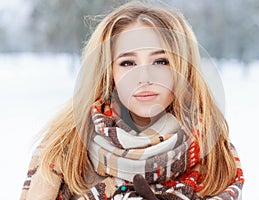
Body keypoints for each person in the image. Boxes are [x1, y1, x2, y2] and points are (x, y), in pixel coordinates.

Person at [20, 1, 244, 199]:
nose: (144, 78)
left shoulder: (214, 153)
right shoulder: (62, 150)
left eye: (160, 62)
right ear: (109, 73)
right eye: (128, 63)